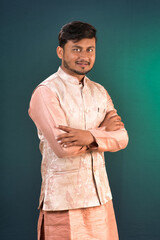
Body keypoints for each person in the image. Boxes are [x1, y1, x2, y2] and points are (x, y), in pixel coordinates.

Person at [28, 21, 129, 240]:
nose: (84, 55)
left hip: (101, 198)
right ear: (60, 51)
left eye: (89, 49)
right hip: (64, 203)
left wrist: (88, 136)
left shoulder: (100, 92)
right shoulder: (46, 92)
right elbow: (63, 147)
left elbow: (122, 137)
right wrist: (100, 133)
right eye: (76, 49)